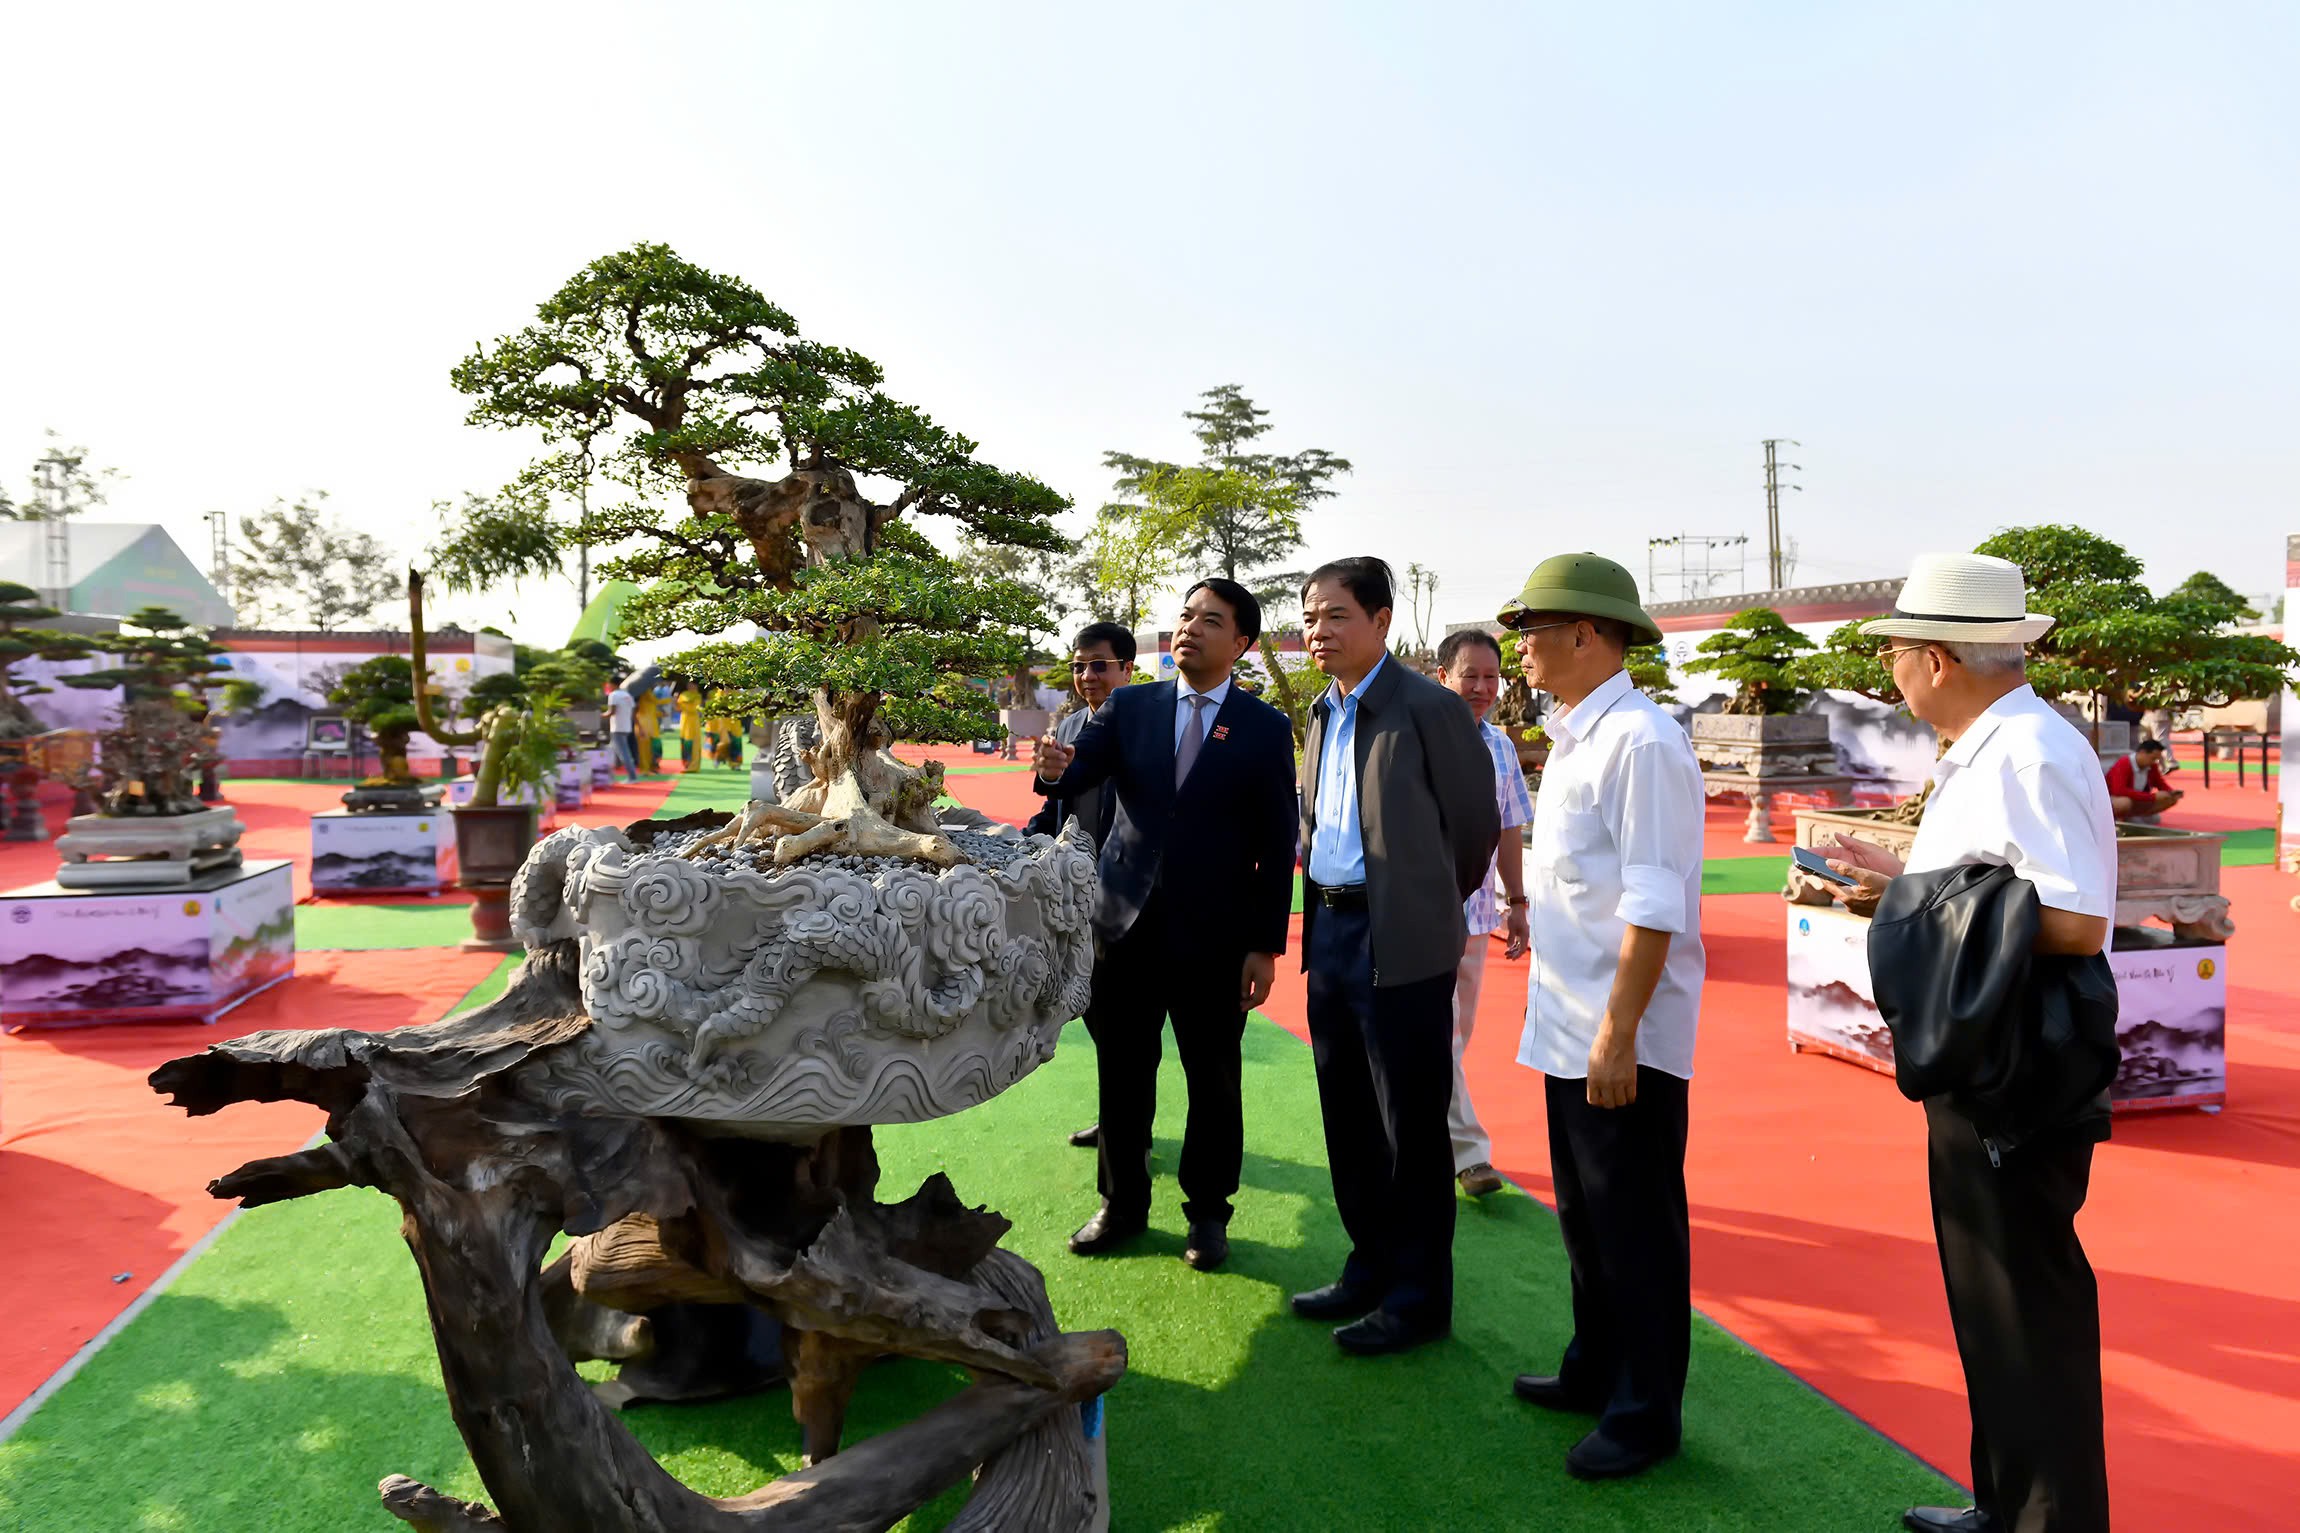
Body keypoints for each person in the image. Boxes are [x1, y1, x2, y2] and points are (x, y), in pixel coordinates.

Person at [1818, 552, 2116, 1533]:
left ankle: (2045, 1518)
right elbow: (1992, 883)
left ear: (1938, 658)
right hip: (1988, 1046)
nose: (1891, 671)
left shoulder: (2026, 749)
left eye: (1897, 650)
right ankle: (2003, 1503)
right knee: (1991, 1297)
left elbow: (2073, 920)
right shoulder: (1997, 745)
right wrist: (1898, 876)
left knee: (2025, 1299)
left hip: (2019, 1056)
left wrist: (1910, 904)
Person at [1497, 553, 1706, 1481]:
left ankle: (1645, 1411)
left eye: (1532, 628)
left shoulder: (1643, 742)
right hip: (1571, 1020)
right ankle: (1595, 1367)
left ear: (1587, 631)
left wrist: (1619, 1033)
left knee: (1636, 1228)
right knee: (1585, 1215)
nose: (1520, 646)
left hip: (1621, 1037)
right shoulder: (1580, 733)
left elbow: (1655, 904)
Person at [1032, 581, 1297, 1272]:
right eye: (1185, 616)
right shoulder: (1131, 704)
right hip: (1124, 923)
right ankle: (1122, 1204)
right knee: (1123, 1072)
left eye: (1211, 620)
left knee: (1214, 1079)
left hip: (1216, 936)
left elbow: (1276, 840)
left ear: (1240, 642)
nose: (1190, 628)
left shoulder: (1264, 727)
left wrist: (1266, 945)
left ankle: (1208, 1215)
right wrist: (1055, 768)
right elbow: (1076, 772)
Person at [1290, 557, 1498, 1357]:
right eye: (1310, 617)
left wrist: (1424, 904)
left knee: (1411, 1125)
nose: (1318, 631)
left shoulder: (1428, 707)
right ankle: (1368, 1264)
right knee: (1345, 1112)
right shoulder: (1321, 712)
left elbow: (1474, 830)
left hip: (1402, 938)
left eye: (1336, 615)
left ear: (1381, 620)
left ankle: (1418, 1297)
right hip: (1331, 928)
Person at [1025, 621, 1138, 1152]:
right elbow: (1054, 804)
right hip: (1074, 891)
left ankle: (1127, 1128)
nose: (1086, 676)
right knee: (1093, 1009)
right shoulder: (1068, 729)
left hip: (1129, 896)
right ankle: (1117, 1117)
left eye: (1099, 665)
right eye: (1078, 666)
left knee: (1125, 1023)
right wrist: (1022, 839)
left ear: (1127, 670)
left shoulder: (1144, 727)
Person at [1431, 628, 1534, 1197]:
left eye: (1491, 676)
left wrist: (1516, 903)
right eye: (1470, 675)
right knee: (1441, 1036)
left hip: (1475, 917)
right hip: (1420, 916)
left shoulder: (1499, 745)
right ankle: (1470, 1153)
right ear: (1443, 676)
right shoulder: (1418, 738)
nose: (1482, 687)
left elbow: (1509, 827)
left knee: (1456, 1035)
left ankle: (1421, 1132)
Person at [2106, 737, 2182, 820]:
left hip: (2137, 798)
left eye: (2156, 759)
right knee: (2124, 803)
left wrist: (2170, 792)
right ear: (2142, 753)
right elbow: (2119, 790)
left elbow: (2159, 783)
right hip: (2116, 798)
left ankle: (2134, 817)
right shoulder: (2124, 763)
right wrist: (2152, 797)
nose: (2154, 762)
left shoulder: (2152, 766)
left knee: (2170, 799)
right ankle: (2120, 818)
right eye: (2153, 758)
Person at [606, 681, 640, 780]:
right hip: (627, 726)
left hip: (617, 727)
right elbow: (633, 713)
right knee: (614, 751)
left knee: (623, 753)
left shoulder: (613, 695)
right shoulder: (628, 695)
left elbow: (612, 711)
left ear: (613, 684)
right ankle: (611, 776)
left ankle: (632, 776)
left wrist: (599, 715)